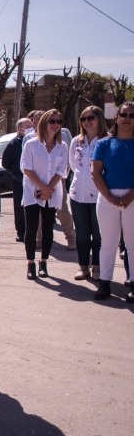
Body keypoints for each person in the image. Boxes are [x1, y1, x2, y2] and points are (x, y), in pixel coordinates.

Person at [91, 101, 134, 302]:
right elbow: (95, 172)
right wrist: (109, 197)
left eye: (132, 115)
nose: (127, 119)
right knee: (108, 243)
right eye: (124, 114)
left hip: (132, 198)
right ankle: (105, 283)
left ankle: (133, 283)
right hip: (107, 197)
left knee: (133, 244)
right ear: (116, 117)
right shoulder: (104, 143)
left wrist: (129, 197)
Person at [21, 109, 69, 280]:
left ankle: (43, 263)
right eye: (53, 121)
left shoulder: (62, 147)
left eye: (59, 121)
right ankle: (30, 264)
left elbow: (62, 170)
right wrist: (42, 187)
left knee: (48, 229)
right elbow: (26, 168)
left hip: (52, 192)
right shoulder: (31, 144)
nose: (56, 124)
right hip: (32, 192)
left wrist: (49, 189)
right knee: (32, 229)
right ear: (45, 123)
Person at [69, 106, 106, 281]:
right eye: (83, 118)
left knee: (99, 234)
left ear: (99, 119)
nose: (87, 122)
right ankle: (83, 267)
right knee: (82, 233)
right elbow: (73, 165)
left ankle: (97, 266)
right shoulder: (77, 141)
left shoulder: (107, 141)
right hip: (78, 195)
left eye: (90, 118)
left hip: (101, 196)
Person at [2, 118, 35, 243]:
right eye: (27, 126)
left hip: (34, 180)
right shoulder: (13, 143)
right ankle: (21, 233)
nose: (30, 128)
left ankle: (34, 232)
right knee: (20, 207)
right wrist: (16, 171)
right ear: (20, 129)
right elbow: (6, 162)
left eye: (31, 125)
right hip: (19, 180)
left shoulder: (36, 140)